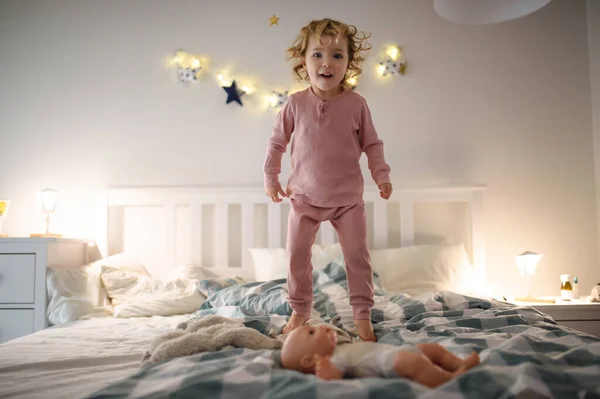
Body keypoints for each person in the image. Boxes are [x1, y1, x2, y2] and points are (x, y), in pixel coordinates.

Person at [263, 18, 392, 342]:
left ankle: (362, 316)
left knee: (357, 257)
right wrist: (271, 176)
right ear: (303, 61)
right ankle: (300, 309)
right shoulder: (294, 104)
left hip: (347, 199)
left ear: (349, 63)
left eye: (337, 55)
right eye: (317, 54)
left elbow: (372, 144)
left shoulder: (356, 105)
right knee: (296, 255)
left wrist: (381, 175)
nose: (327, 63)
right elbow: (277, 142)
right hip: (304, 197)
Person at [280, 324, 480, 387]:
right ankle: (447, 379)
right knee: (415, 363)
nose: (321, 328)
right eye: (312, 333)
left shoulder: (340, 347)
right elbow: (334, 379)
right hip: (392, 363)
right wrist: (325, 371)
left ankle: (456, 363)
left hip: (396, 351)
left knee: (433, 349)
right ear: (308, 360)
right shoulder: (333, 360)